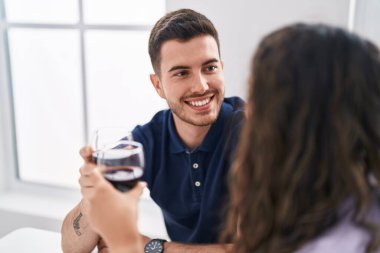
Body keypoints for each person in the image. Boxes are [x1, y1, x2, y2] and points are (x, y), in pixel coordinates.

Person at [81, 23, 380, 253]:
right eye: (181, 73)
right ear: (158, 85)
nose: (253, 110)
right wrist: (96, 193)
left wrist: (129, 243)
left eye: (264, 96)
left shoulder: (339, 225)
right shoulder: (333, 196)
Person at [61, 8, 244, 253]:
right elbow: (72, 248)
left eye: (209, 68)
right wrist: (91, 199)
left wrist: (148, 247)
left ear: (221, 68)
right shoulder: (146, 142)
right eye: (181, 73)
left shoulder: (253, 133)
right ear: (158, 85)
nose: (201, 86)